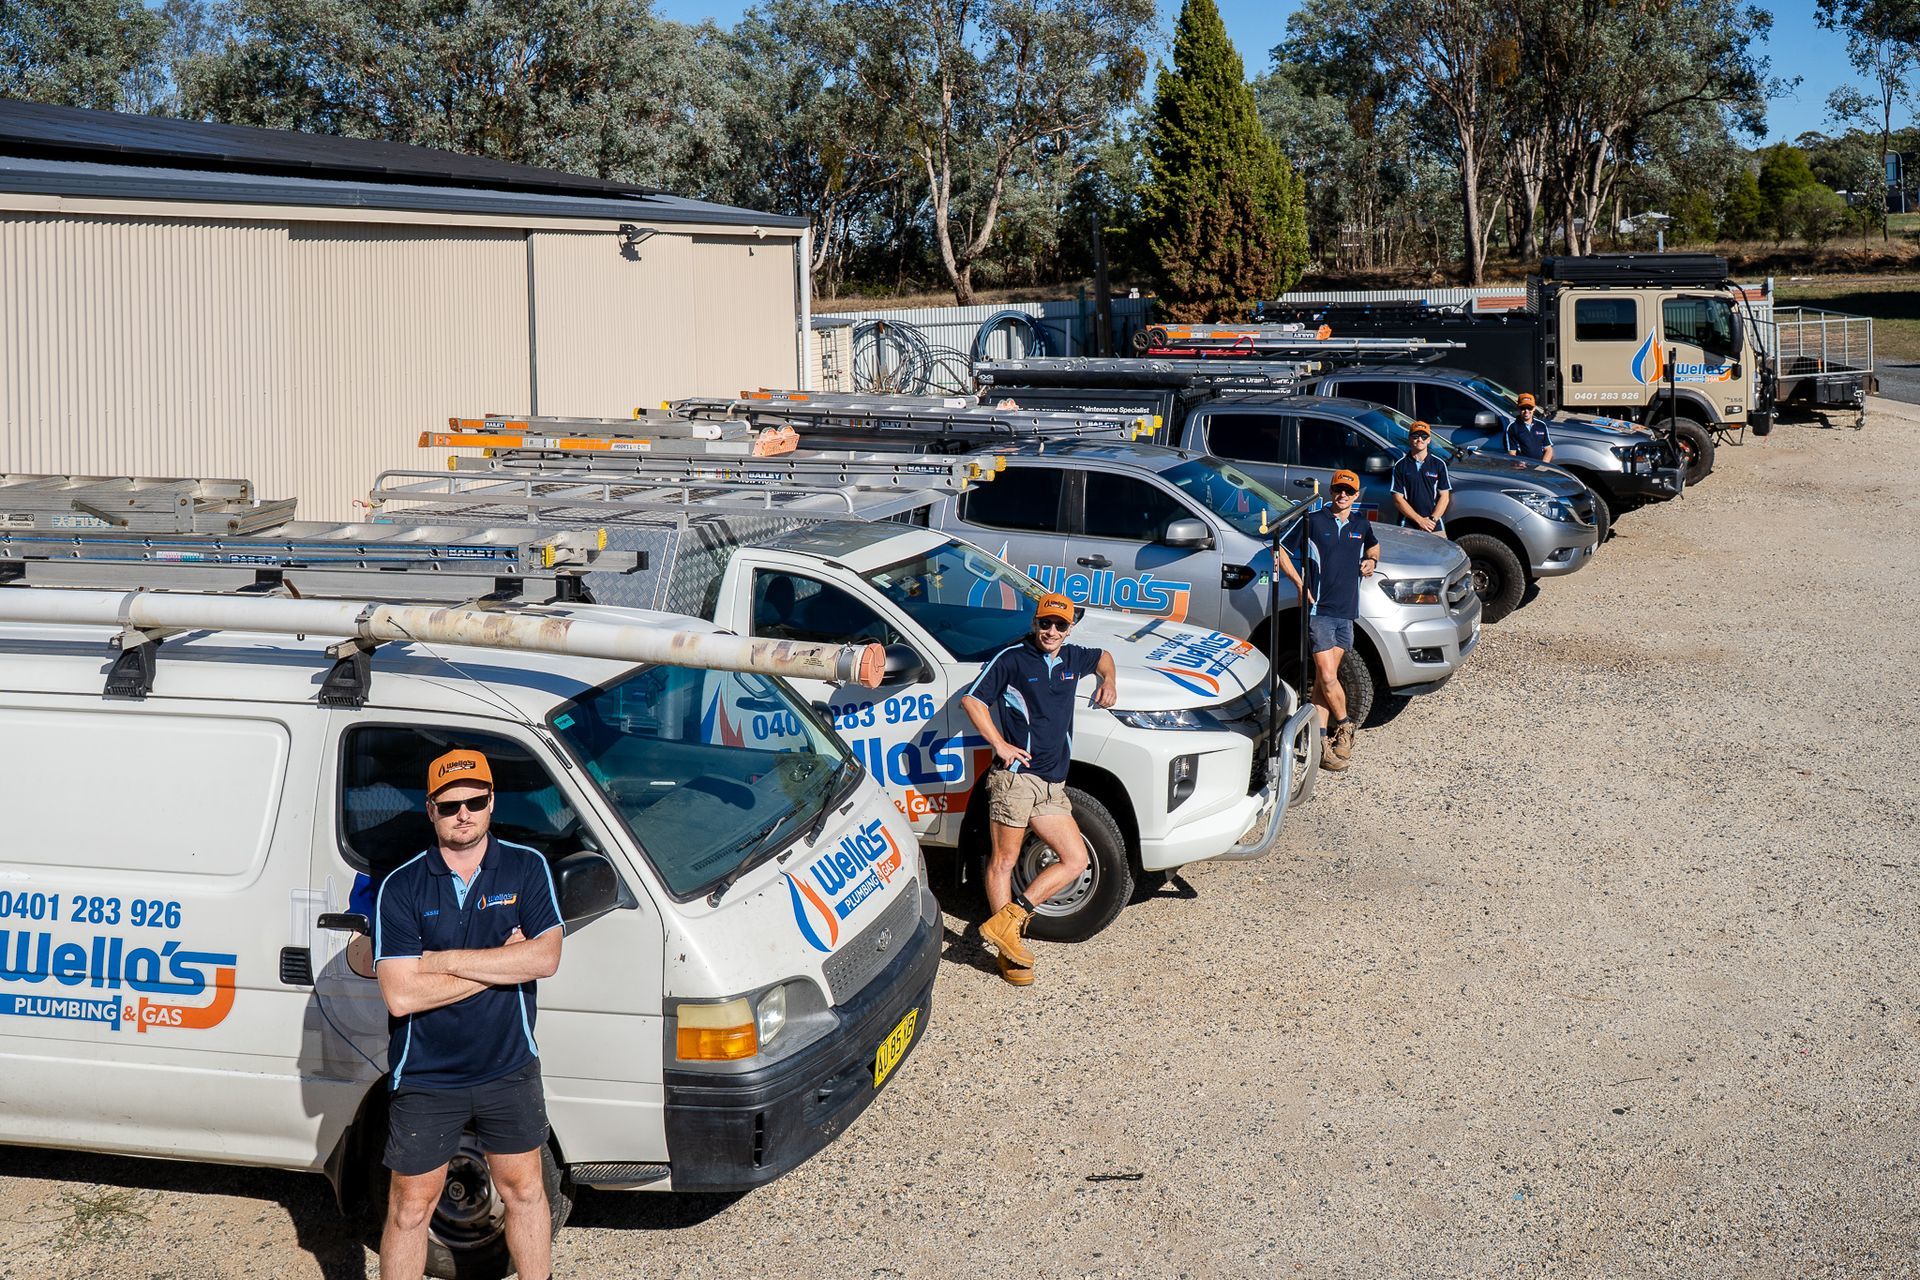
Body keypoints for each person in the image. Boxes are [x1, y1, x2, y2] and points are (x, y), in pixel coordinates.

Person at [373, 749, 564, 1280]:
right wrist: (504, 962)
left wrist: (442, 962)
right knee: (410, 1209)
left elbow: (544, 958)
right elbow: (401, 997)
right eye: (451, 804)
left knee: (525, 1191)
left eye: (476, 801)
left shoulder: (527, 867)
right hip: (428, 1078)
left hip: (509, 1067)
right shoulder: (402, 886)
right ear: (430, 810)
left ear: (491, 803)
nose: (464, 813)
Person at [961, 592, 1117, 986]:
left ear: (1069, 629)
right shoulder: (1012, 659)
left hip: (1052, 787)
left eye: (1059, 625)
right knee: (1003, 862)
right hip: (1015, 781)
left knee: (1076, 860)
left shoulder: (1073, 657)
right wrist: (1000, 744)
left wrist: (1109, 681)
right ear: (1035, 623)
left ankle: (1009, 920)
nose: (1050, 631)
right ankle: (1008, 955)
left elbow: (1103, 657)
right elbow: (972, 700)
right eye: (1044, 623)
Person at [1275, 468, 1379, 773]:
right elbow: (1280, 549)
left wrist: (1372, 560)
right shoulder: (1314, 521)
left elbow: (1373, 546)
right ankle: (1346, 727)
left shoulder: (1361, 523)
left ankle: (1320, 745)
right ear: (1331, 492)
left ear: (1356, 495)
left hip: (1347, 612)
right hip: (1319, 611)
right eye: (1338, 490)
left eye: (1348, 491)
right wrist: (1299, 583)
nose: (1342, 495)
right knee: (1328, 676)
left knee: (1323, 681)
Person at [1389, 419, 1452, 533]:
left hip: (1434, 525)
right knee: (1406, 551)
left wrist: (1432, 520)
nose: (1420, 440)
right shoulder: (1400, 465)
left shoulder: (1439, 464)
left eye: (1424, 436)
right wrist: (1420, 520)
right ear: (1409, 438)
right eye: (1415, 436)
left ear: (1429, 440)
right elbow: (1398, 499)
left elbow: (1444, 496)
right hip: (1407, 525)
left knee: (1440, 551)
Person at [1506, 392, 1554, 464]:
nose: (1526, 411)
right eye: (1523, 408)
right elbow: (1512, 452)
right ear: (1518, 408)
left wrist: (1543, 465)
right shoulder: (1513, 427)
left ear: (1534, 408)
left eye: (1529, 408)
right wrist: (1518, 464)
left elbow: (1548, 449)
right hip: (1523, 468)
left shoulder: (1541, 425)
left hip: (1540, 466)